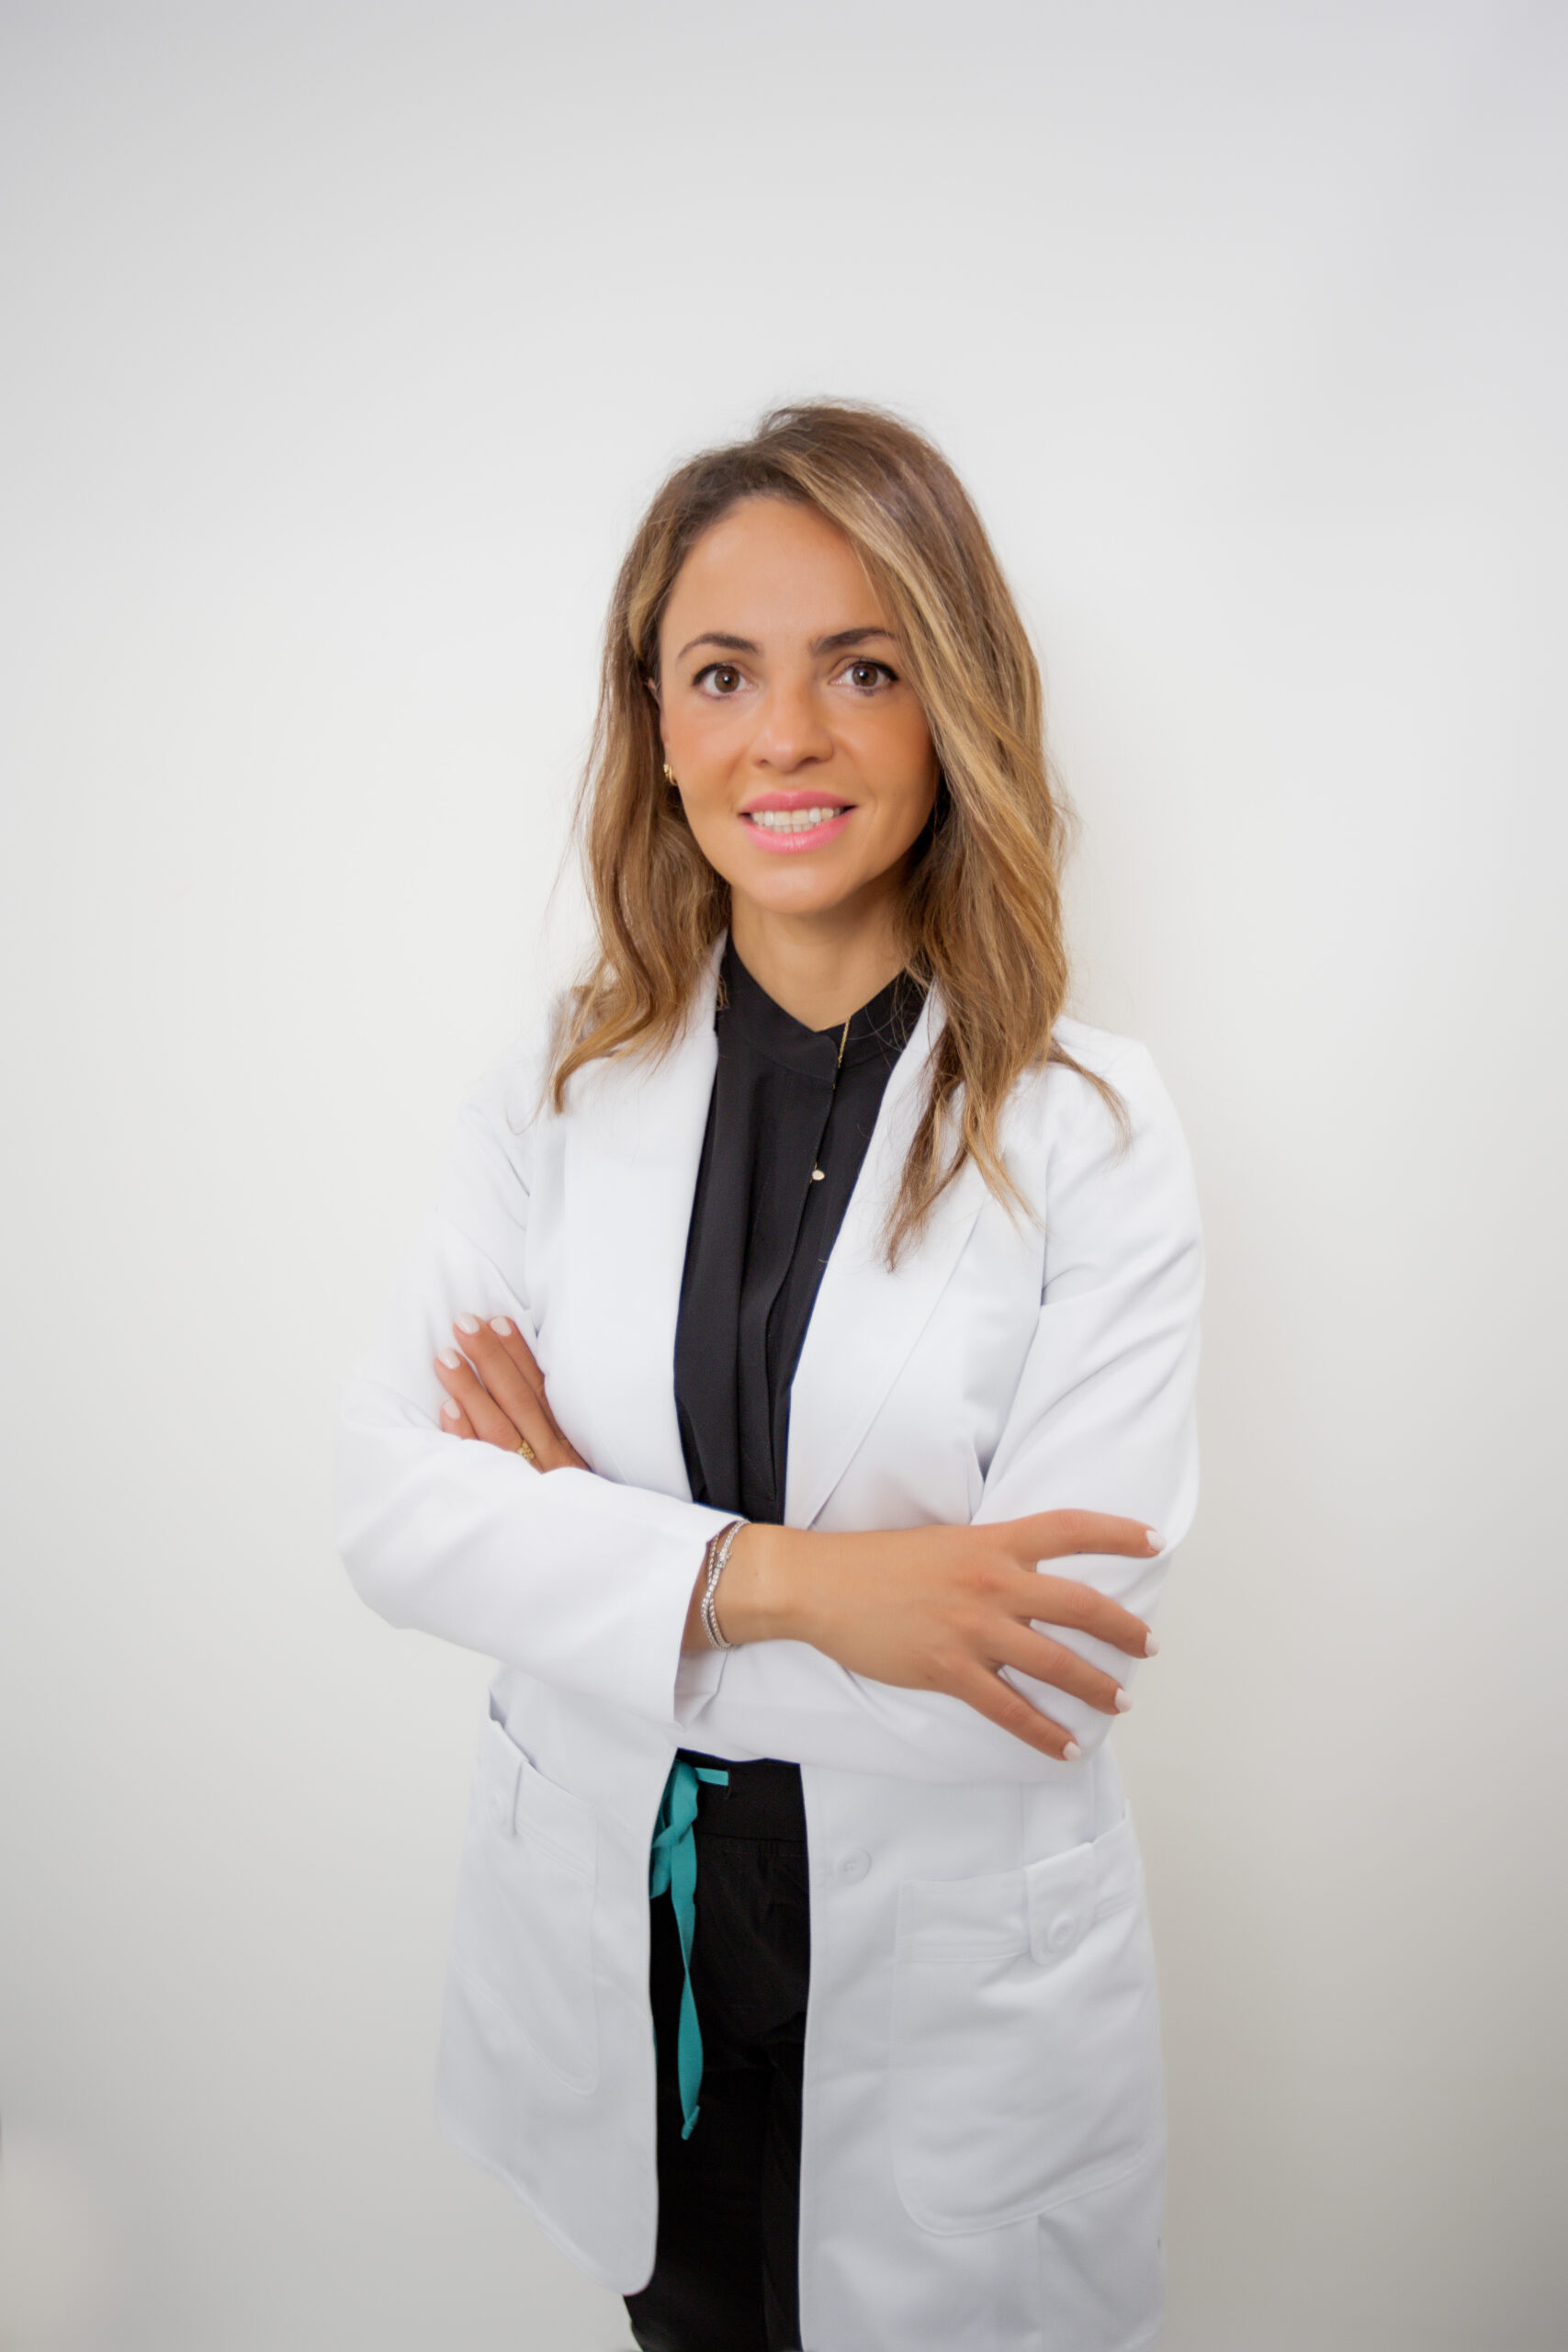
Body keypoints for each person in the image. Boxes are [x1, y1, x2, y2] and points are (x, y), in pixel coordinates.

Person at [334, 401, 1202, 2352]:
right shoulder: (556, 1093)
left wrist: (580, 1549)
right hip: (624, 1972)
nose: (784, 736)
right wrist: (801, 1583)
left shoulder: (1091, 1130)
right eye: (722, 673)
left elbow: (1035, 1670)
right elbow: (390, 1507)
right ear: (654, 722)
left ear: (950, 705)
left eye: (862, 668)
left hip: (950, 2015)